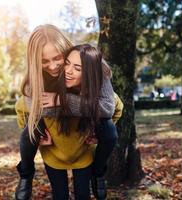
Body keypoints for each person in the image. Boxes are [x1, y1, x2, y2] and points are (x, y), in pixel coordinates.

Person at [14, 24, 121, 200]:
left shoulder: (89, 63)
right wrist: (38, 134)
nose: (53, 66)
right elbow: (26, 105)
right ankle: (26, 174)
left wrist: (61, 101)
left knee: (108, 129)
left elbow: (108, 107)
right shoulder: (35, 78)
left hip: (82, 141)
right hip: (55, 144)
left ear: (66, 48)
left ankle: (99, 172)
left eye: (57, 58)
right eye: (44, 61)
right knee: (29, 130)